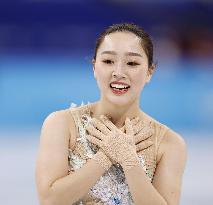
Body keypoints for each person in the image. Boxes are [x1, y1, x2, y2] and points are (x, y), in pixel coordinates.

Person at [35, 23, 187, 205]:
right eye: (108, 61)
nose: (119, 73)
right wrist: (105, 156)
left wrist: (129, 160)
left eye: (132, 63)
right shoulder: (61, 124)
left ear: (149, 72)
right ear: (94, 67)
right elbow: (50, 200)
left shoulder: (169, 143)